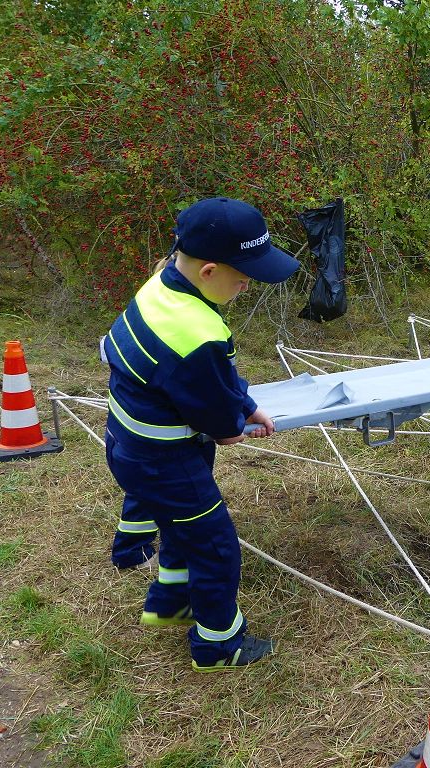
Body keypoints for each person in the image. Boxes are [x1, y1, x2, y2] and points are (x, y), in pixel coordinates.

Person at [103, 197, 300, 671]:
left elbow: (197, 382)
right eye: (244, 275)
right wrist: (235, 424)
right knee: (215, 546)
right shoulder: (200, 332)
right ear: (209, 271)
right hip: (167, 461)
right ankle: (219, 645)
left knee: (180, 528)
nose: (248, 284)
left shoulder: (160, 286)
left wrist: (244, 403)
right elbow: (216, 415)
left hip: (129, 442)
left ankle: (172, 602)